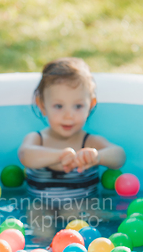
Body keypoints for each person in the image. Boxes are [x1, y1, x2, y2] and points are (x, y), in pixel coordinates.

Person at [18, 57, 126, 201]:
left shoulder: (89, 142)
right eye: (58, 106)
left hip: (83, 207)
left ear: (91, 105)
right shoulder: (37, 139)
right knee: (37, 214)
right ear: (42, 105)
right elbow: (25, 155)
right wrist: (59, 156)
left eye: (78, 106)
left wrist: (97, 157)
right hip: (40, 206)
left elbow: (119, 156)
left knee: (82, 212)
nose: (68, 116)